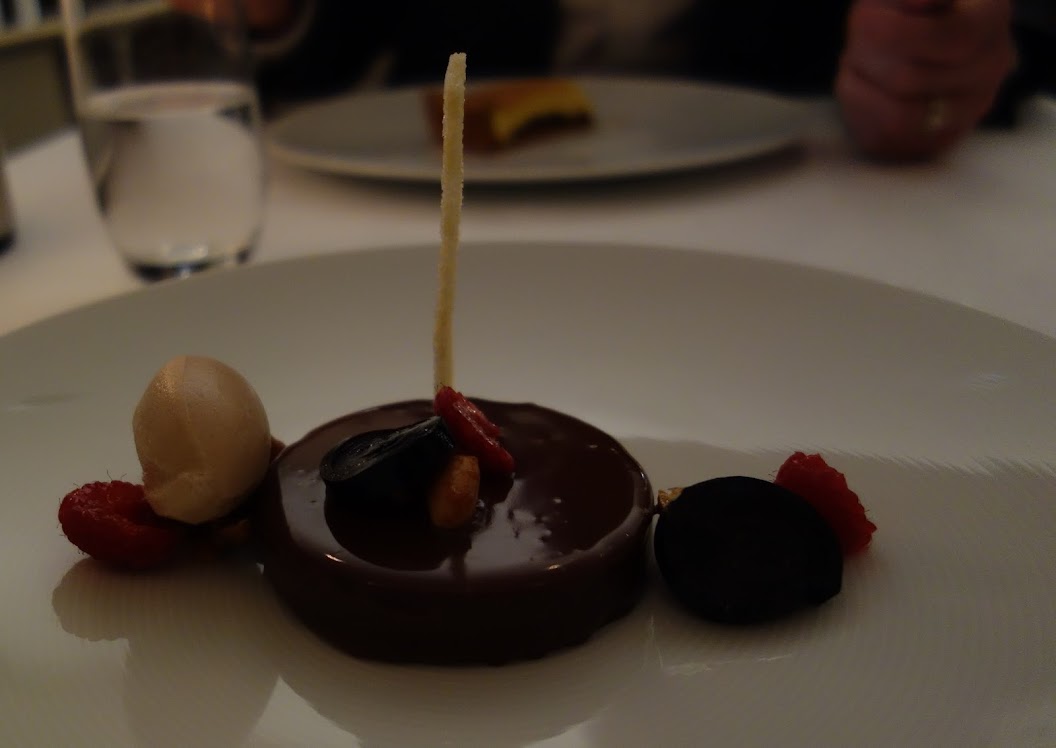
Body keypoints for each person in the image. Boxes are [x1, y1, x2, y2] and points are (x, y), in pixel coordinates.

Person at [205, 0, 1037, 162]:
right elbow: (326, 41)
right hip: (443, 200)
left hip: (794, 186)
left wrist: (937, 55)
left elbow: (1023, 26)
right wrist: (271, 20)